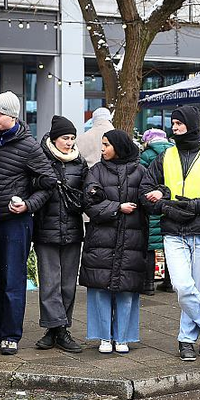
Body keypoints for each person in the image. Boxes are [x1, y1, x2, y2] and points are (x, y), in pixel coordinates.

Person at [140, 105, 200, 362]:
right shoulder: (165, 157)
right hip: (173, 231)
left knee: (197, 290)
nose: (175, 127)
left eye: (179, 123)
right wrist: (167, 201)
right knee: (183, 286)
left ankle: (186, 340)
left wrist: (193, 206)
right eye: (173, 123)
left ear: (191, 125)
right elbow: (145, 192)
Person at [0, 91, 57, 355]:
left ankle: (10, 334)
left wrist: (28, 205)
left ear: (13, 117)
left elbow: (49, 182)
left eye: (0, 114)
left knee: (12, 280)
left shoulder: (29, 146)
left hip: (14, 223)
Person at [79, 130, 147, 353]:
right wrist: (118, 207)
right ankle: (103, 337)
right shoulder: (96, 171)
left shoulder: (140, 171)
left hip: (131, 240)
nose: (102, 149)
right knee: (100, 288)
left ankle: (123, 336)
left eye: (106, 145)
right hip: (102, 240)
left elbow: (150, 199)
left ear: (119, 146)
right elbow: (89, 203)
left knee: (127, 290)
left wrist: (159, 193)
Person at [33, 115, 87, 353]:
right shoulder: (40, 160)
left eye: (73, 138)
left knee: (67, 285)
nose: (70, 142)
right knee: (49, 283)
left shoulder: (79, 162)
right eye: (65, 138)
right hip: (46, 229)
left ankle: (59, 329)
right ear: (54, 139)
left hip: (73, 230)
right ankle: (57, 329)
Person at [139, 128, 173, 295]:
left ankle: (148, 284)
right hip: (170, 201)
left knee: (150, 245)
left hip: (152, 201)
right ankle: (169, 283)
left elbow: (141, 179)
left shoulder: (146, 155)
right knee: (169, 243)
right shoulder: (174, 153)